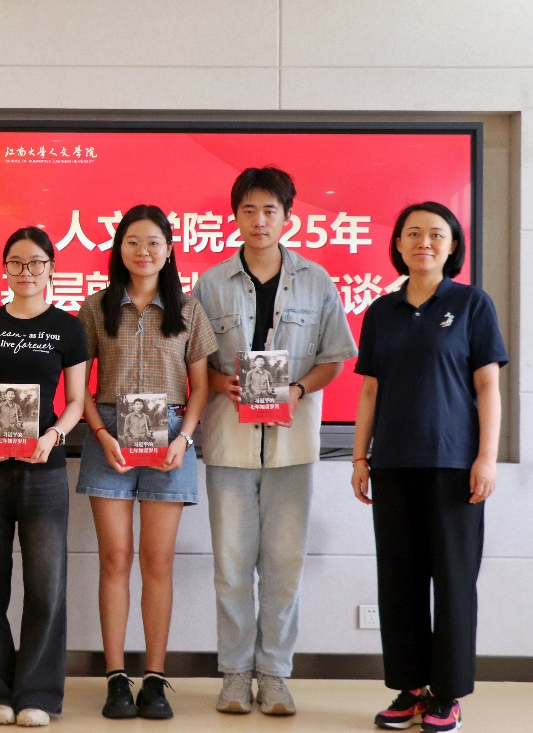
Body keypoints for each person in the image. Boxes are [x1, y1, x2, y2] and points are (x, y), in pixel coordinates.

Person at [190, 167, 357, 716]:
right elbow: (193, 362)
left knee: (284, 565)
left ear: (288, 217)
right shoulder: (210, 283)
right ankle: (236, 674)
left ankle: (276, 674)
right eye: (248, 210)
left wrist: (298, 389)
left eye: (269, 210)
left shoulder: (317, 280)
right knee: (231, 564)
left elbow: (335, 357)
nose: (259, 220)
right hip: (229, 442)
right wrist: (220, 382)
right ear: (234, 216)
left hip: (293, 445)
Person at [352, 202, 506, 733]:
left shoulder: (471, 304)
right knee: (399, 581)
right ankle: (409, 688)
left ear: (452, 245)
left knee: (455, 582)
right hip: (393, 464)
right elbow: (369, 390)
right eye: (413, 233)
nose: (424, 242)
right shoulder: (381, 311)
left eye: (436, 234)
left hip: (454, 467)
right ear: (397, 244)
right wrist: (359, 457)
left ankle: (447, 695)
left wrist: (486, 456)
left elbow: (488, 385)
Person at [76, 204, 217, 721]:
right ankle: (116, 678)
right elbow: (78, 386)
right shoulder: (95, 308)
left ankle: (155, 679)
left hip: (171, 439)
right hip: (108, 437)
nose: (143, 251)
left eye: (154, 242)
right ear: (119, 249)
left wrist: (185, 438)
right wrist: (100, 432)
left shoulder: (189, 309)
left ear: (170, 250)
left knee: (158, 562)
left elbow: (200, 387)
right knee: (115, 559)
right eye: (133, 242)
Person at [0, 227, 89, 727]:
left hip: (44, 469)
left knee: (46, 585)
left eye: (36, 263)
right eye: (16, 262)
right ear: (5, 268)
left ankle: (37, 693)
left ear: (51, 267)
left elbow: (75, 401)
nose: (26, 272)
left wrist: (54, 435)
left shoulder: (68, 328)